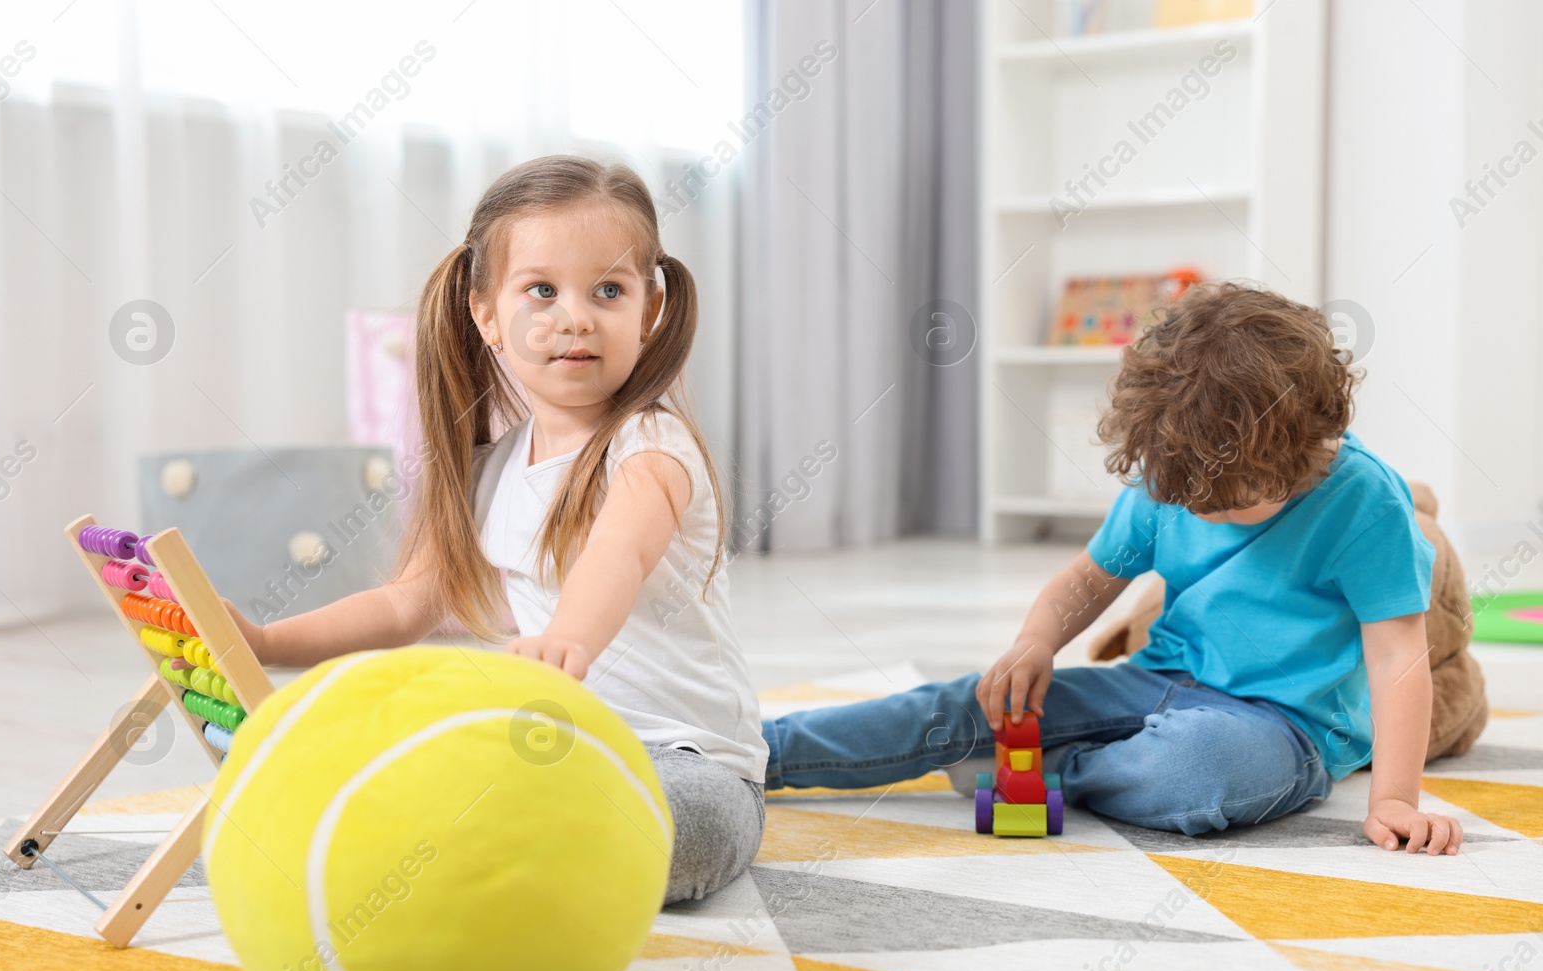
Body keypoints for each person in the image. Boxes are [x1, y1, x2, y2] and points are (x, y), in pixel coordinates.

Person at [220, 155, 767, 902]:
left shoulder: (652, 447)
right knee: (452, 769)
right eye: (542, 290)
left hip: (689, 759)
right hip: (558, 744)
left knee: (672, 833)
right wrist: (263, 642)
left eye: (608, 290)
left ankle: (498, 848)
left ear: (649, 310)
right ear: (486, 316)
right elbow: (403, 604)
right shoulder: (492, 469)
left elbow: (616, 550)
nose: (575, 316)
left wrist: (568, 639)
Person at [764, 282, 1463, 856]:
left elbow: (1399, 653)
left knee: (1195, 769)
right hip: (1154, 679)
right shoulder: (1175, 475)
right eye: (1192, 500)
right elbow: (1087, 581)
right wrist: (1037, 643)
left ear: (1309, 448)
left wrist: (1395, 799)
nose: (1204, 513)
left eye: (1230, 503)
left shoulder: (1365, 501)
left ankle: (1041, 770)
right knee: (968, 703)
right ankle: (761, 751)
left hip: (1283, 729)